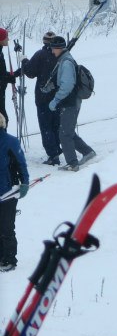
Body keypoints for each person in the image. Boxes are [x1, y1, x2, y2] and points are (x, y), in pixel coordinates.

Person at [45, 36, 94, 172]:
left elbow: (67, 85)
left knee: (64, 134)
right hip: (70, 101)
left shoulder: (66, 62)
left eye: (53, 49)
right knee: (68, 130)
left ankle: (72, 163)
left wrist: (55, 100)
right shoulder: (64, 59)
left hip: (69, 102)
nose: (52, 51)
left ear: (58, 48)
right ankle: (88, 152)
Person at [20, 32, 61, 166]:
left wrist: (24, 61)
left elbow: (30, 72)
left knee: (46, 127)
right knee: (56, 125)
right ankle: (56, 150)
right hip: (59, 96)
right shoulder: (61, 55)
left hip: (43, 98)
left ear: (44, 42)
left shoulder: (40, 55)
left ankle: (53, 155)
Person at [0, 112, 30, 271]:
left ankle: (9, 259)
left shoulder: (11, 142)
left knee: (6, 228)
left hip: (7, 192)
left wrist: (24, 183)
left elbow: (21, 164)